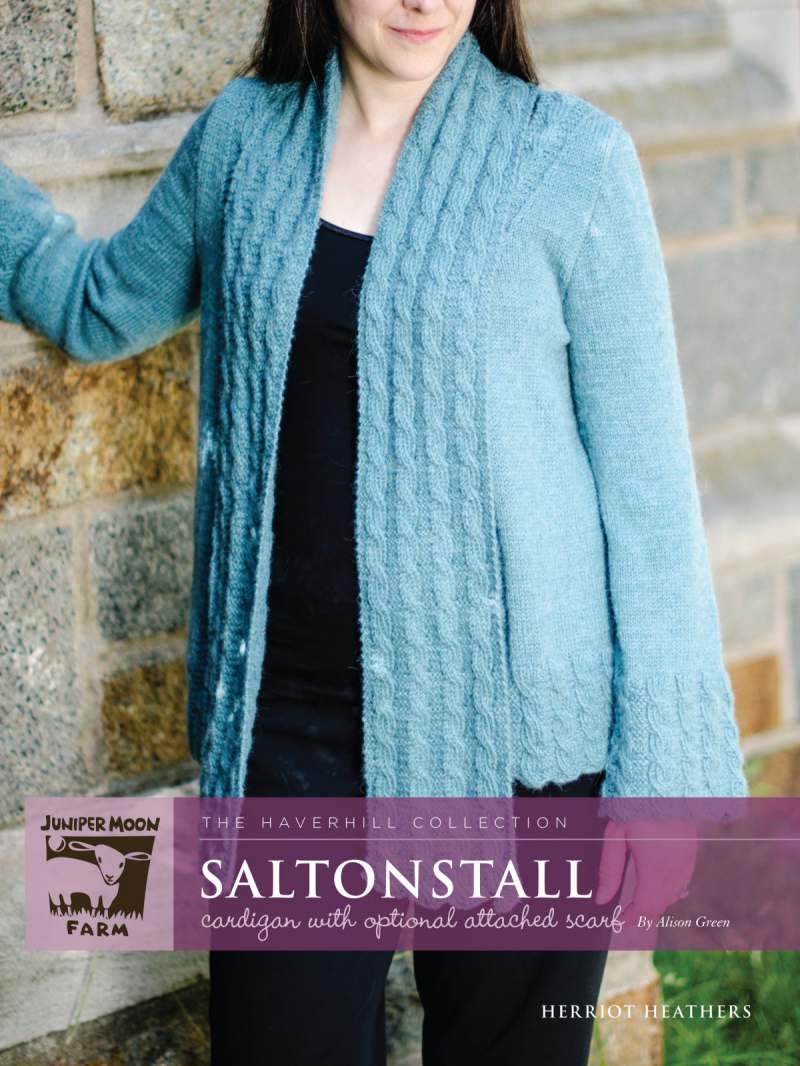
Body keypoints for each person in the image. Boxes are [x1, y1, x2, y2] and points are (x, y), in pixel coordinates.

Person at [0, 0, 748, 1063]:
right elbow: (97, 302)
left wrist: (663, 782)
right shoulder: (243, 141)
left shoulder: (571, 164)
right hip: (290, 736)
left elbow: (649, 496)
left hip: (520, 751)